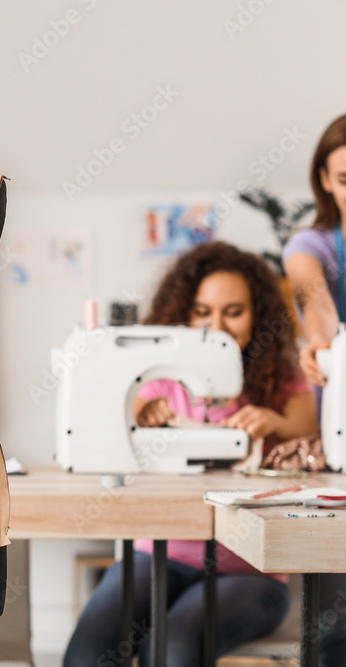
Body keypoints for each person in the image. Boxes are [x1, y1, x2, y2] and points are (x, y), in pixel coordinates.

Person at [64, 241, 316, 666]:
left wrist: (275, 423)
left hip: (248, 571)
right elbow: (125, 412)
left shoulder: (279, 381)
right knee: (88, 653)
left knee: (173, 648)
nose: (216, 326)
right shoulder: (160, 381)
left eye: (233, 312)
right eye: (202, 312)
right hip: (154, 553)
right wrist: (142, 411)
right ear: (182, 314)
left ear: (258, 316)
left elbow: (308, 426)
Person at [282, 112, 346, 666]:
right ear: (325, 180)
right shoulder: (314, 245)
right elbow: (315, 303)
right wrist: (324, 343)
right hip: (339, 447)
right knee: (334, 629)